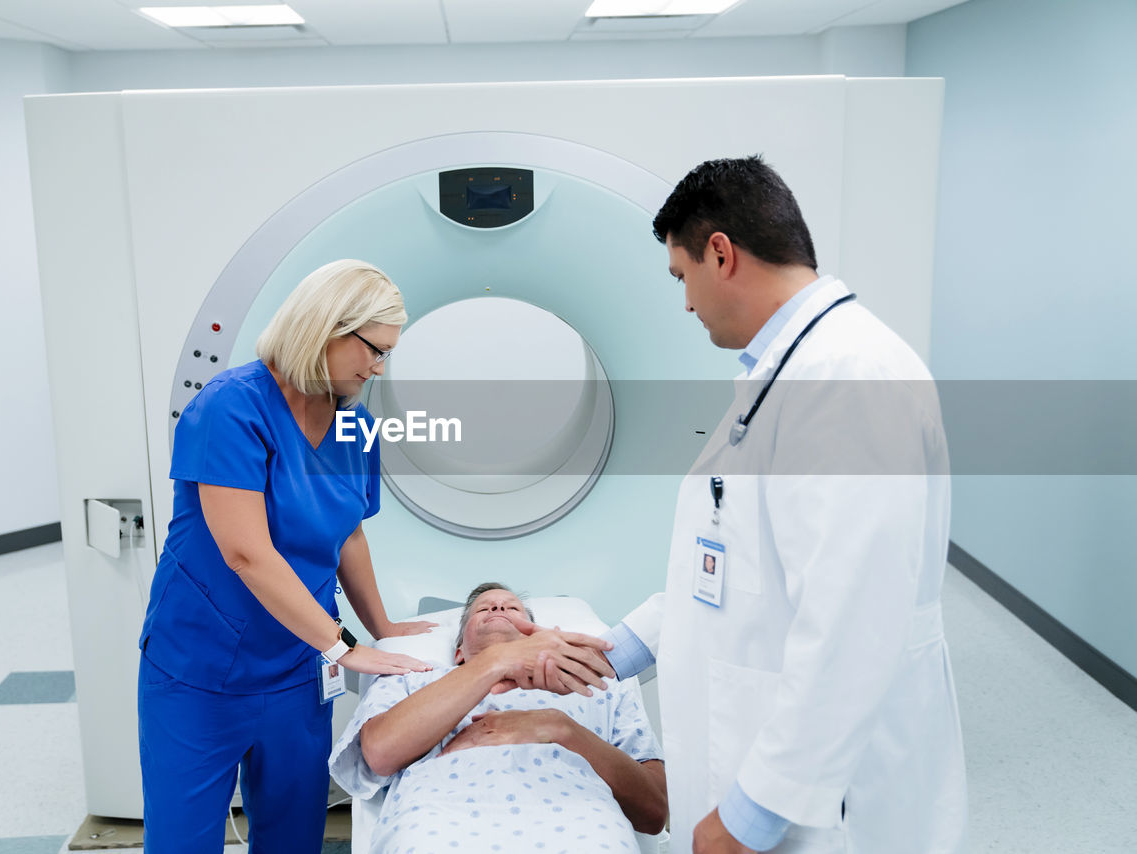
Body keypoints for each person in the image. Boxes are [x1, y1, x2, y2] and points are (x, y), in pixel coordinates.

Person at [587, 157, 967, 853]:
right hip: (772, 755)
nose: (687, 305)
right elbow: (734, 565)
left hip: (827, 800)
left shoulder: (847, 379)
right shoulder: (788, 375)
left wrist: (754, 813)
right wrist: (618, 651)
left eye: (683, 277)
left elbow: (855, 617)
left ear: (721, 253)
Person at [137, 259, 439, 854]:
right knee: (183, 844)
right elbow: (245, 553)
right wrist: (343, 646)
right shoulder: (230, 409)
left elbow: (349, 534)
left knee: (293, 840)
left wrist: (383, 631)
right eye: (373, 350)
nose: (379, 368)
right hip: (200, 669)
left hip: (297, 669)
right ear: (326, 328)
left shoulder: (357, 424)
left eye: (387, 354)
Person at [330, 583, 667, 853]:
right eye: (484, 608)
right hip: (437, 820)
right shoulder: (412, 676)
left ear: (536, 634)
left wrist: (561, 727)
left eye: (512, 607)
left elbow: (653, 811)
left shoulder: (598, 683)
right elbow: (378, 754)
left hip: (580, 818)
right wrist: (496, 662)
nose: (498, 607)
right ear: (459, 650)